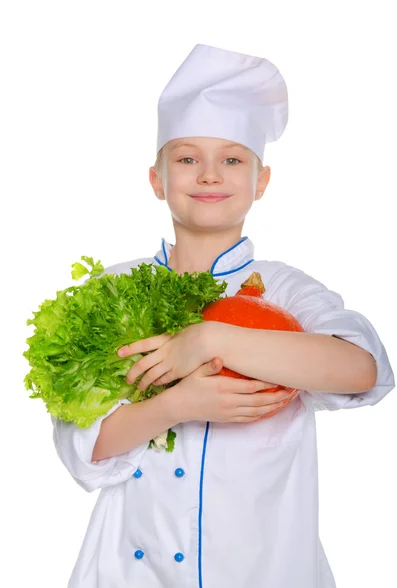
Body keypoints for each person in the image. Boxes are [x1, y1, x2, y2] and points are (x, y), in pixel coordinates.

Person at [52, 44, 395, 588]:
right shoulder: (112, 291)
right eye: (187, 159)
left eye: (232, 159)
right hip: (128, 570)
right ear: (157, 179)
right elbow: (83, 446)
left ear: (260, 182)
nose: (209, 175)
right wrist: (178, 403)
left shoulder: (284, 288)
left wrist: (211, 338)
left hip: (266, 568)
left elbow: (364, 371)